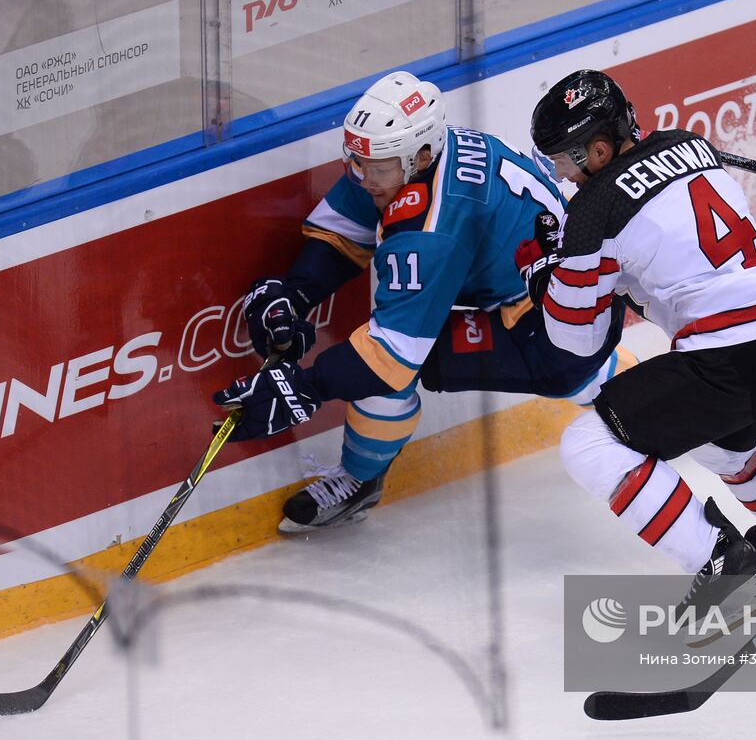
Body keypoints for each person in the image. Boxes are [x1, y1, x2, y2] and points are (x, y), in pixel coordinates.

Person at [213, 71, 632, 533]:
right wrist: (296, 293)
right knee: (389, 355)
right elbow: (341, 234)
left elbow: (391, 357)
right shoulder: (404, 158)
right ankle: (642, 392)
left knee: (391, 369)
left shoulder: (436, 221)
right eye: (356, 162)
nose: (364, 179)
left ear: (422, 156)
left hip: (552, 324)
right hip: (558, 291)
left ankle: (360, 480)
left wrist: (302, 388)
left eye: (377, 169)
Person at [519, 69, 756, 614]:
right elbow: (660, 277)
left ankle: (719, 561)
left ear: (598, 149)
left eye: (566, 159)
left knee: (589, 443)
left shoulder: (591, 211)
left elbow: (576, 342)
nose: (563, 173)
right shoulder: (689, 145)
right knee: (717, 437)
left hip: (731, 351)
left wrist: (546, 275)